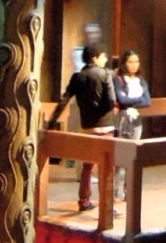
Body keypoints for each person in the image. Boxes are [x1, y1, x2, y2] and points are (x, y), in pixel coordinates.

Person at [48, 42, 116, 212]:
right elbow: (111, 101)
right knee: (106, 168)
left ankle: (84, 202)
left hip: (87, 127)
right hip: (105, 127)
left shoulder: (77, 77)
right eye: (103, 56)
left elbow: (64, 100)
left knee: (87, 167)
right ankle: (107, 207)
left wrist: (52, 121)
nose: (106, 59)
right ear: (95, 57)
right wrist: (103, 110)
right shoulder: (105, 74)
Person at [112, 50, 149, 202]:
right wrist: (135, 100)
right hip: (122, 119)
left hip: (136, 120)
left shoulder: (141, 80)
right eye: (130, 62)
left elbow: (147, 101)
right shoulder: (118, 80)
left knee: (133, 155)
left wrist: (131, 101)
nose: (134, 65)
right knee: (120, 157)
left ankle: (129, 191)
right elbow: (121, 99)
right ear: (124, 63)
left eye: (136, 61)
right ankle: (115, 192)